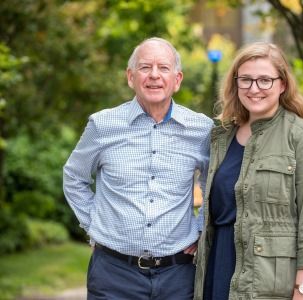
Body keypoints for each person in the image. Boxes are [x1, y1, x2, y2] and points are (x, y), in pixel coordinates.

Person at [63, 37, 213, 300]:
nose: (154, 75)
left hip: (178, 275)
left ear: (177, 80)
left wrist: (201, 227)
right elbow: (74, 177)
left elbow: (214, 183)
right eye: (145, 67)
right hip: (113, 274)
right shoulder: (102, 125)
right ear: (130, 77)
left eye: (163, 68)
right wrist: (93, 224)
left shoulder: (201, 129)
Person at [194, 42, 303, 300]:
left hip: (272, 280)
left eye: (265, 80)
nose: (254, 88)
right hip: (219, 265)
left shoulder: (301, 137)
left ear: (282, 85)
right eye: (245, 79)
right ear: (235, 84)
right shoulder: (221, 136)